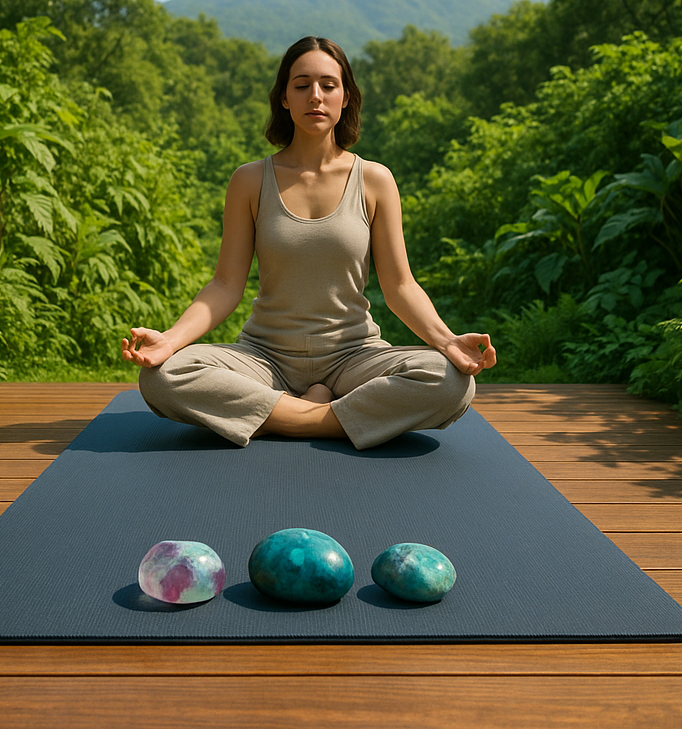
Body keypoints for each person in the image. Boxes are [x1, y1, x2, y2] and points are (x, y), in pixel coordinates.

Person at [121, 35, 496, 449]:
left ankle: (280, 415)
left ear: (347, 97)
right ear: (284, 98)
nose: (314, 96)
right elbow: (225, 285)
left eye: (328, 85)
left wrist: (446, 341)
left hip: (353, 356)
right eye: (301, 85)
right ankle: (330, 416)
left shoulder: (374, 180)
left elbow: (400, 286)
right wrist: (170, 340)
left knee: (451, 383)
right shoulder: (249, 180)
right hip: (264, 357)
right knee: (162, 376)